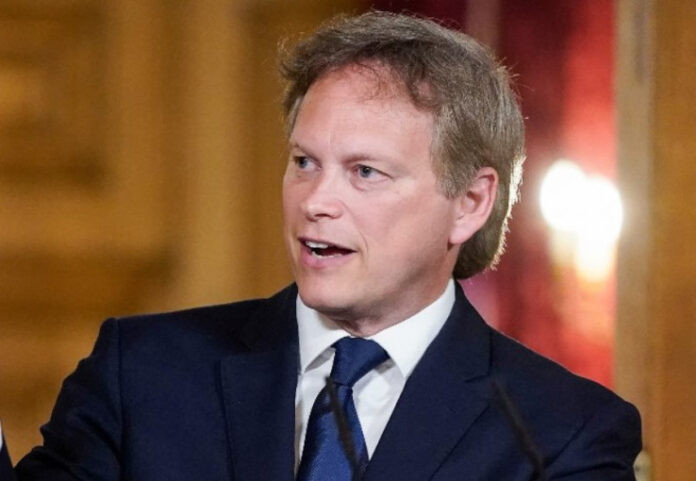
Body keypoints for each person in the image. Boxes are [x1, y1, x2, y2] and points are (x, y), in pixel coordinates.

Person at [10, 11, 640, 481]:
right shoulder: (144, 374)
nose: (316, 201)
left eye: (365, 172)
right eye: (304, 162)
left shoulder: (563, 433)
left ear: (470, 202)